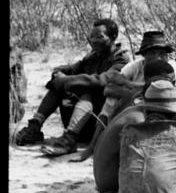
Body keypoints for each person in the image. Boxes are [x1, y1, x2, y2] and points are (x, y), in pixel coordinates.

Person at [93, 59, 176, 193]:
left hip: (123, 188)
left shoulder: (144, 106)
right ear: (148, 81)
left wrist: (172, 105)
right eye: (167, 81)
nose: (173, 86)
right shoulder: (137, 119)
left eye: (172, 82)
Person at [69, 31, 176, 162]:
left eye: (161, 53)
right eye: (153, 53)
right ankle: (92, 147)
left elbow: (163, 91)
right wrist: (133, 90)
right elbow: (109, 89)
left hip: (167, 107)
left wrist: (129, 86)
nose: (158, 58)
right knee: (111, 100)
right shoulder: (136, 66)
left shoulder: (170, 67)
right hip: (138, 104)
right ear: (145, 55)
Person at [15, 19, 129, 156]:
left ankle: (69, 139)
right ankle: (34, 127)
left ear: (113, 37)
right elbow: (72, 69)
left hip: (100, 123)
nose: (94, 40)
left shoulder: (121, 60)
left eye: (99, 37)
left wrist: (66, 80)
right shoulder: (93, 56)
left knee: (88, 92)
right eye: (92, 36)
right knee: (60, 86)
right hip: (81, 118)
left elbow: (101, 81)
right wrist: (58, 73)